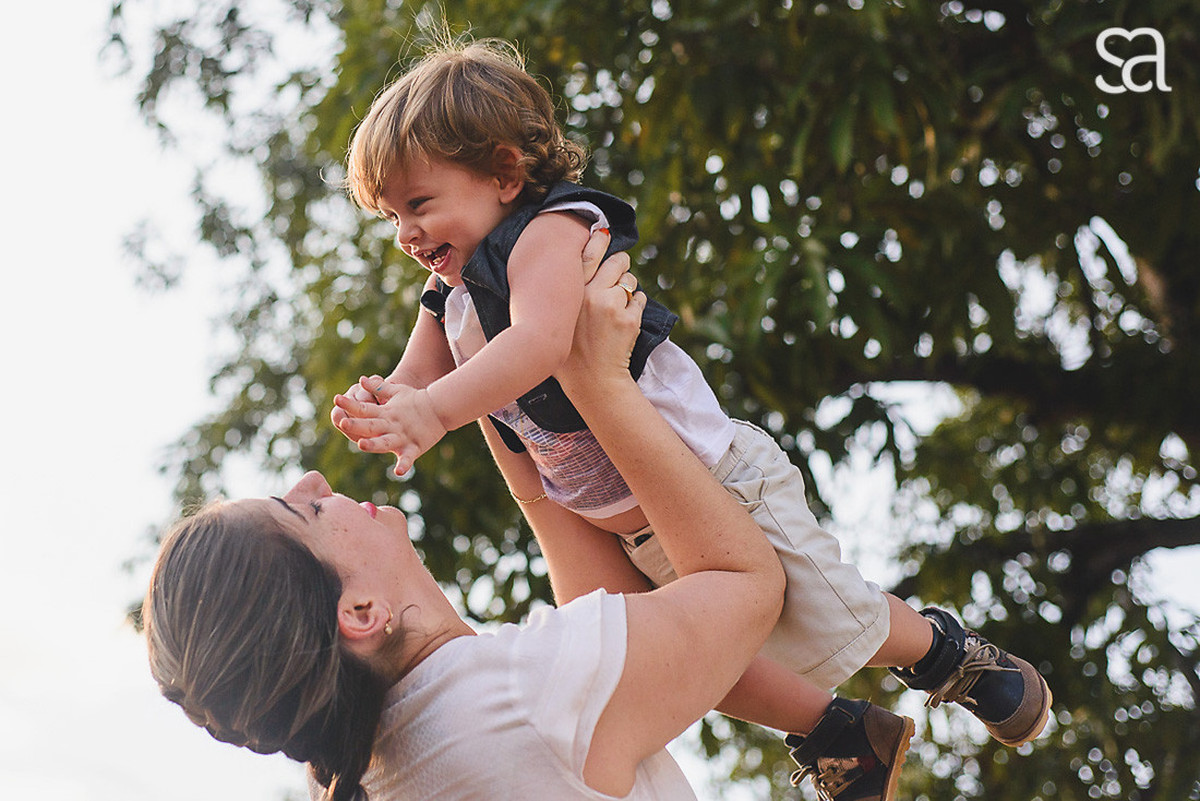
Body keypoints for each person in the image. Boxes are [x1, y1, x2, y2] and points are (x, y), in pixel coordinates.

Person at [331, 36, 1051, 787]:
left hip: (715, 478)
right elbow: (426, 368)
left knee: (836, 619)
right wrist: (393, 401)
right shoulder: (450, 289)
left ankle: (943, 652)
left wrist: (436, 413)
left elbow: (541, 341)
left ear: (504, 173)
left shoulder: (546, 234)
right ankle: (839, 732)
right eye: (390, 217)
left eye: (418, 204)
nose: (406, 234)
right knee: (690, 652)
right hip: (630, 519)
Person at [144, 249, 913, 801]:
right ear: (361, 613)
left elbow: (600, 604)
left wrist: (498, 394)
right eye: (304, 510)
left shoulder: (404, 762)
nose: (315, 480)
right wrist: (598, 380)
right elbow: (747, 587)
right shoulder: (522, 698)